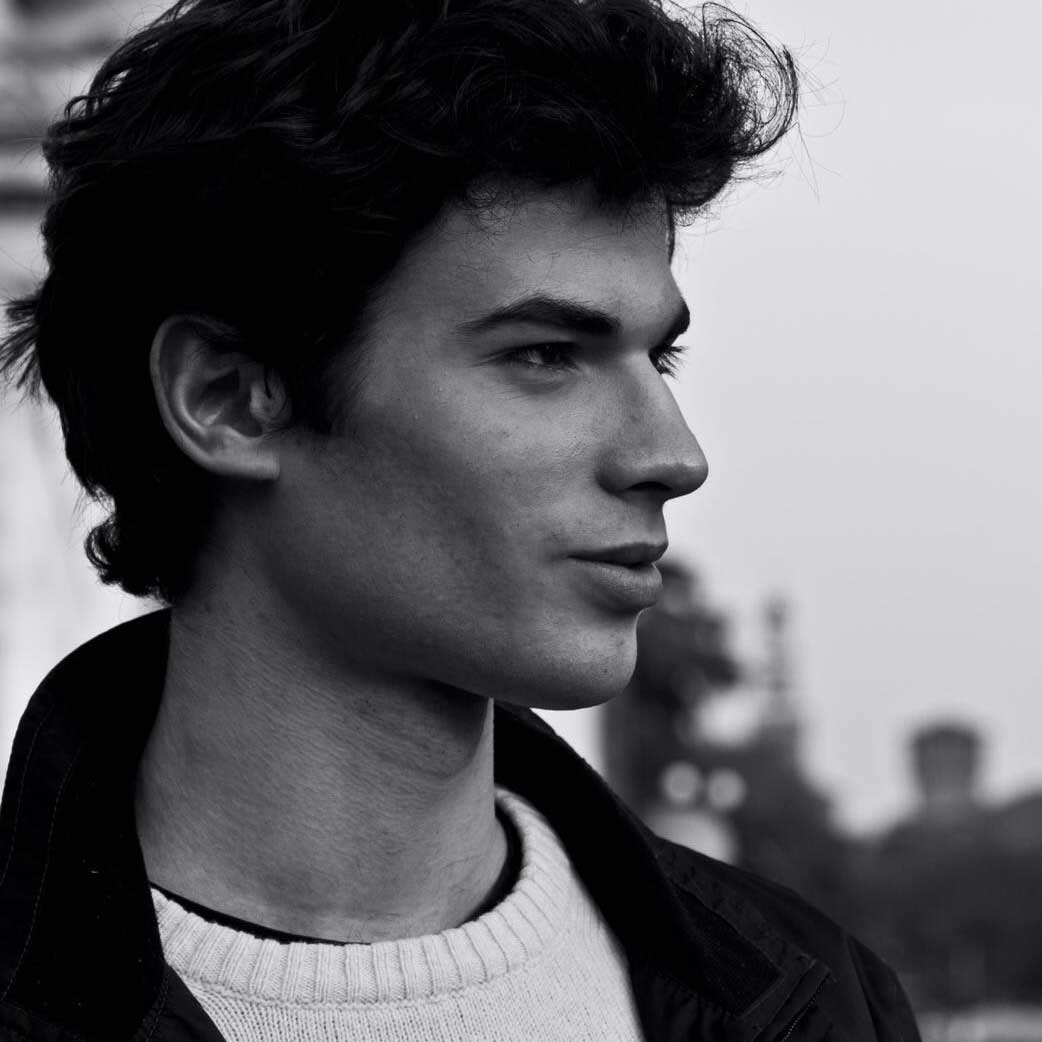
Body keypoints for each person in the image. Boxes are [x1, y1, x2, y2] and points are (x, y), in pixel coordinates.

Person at [0, 1, 920, 1039]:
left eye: (657, 358)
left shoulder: (820, 1000)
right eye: (545, 355)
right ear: (226, 399)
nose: (673, 456)